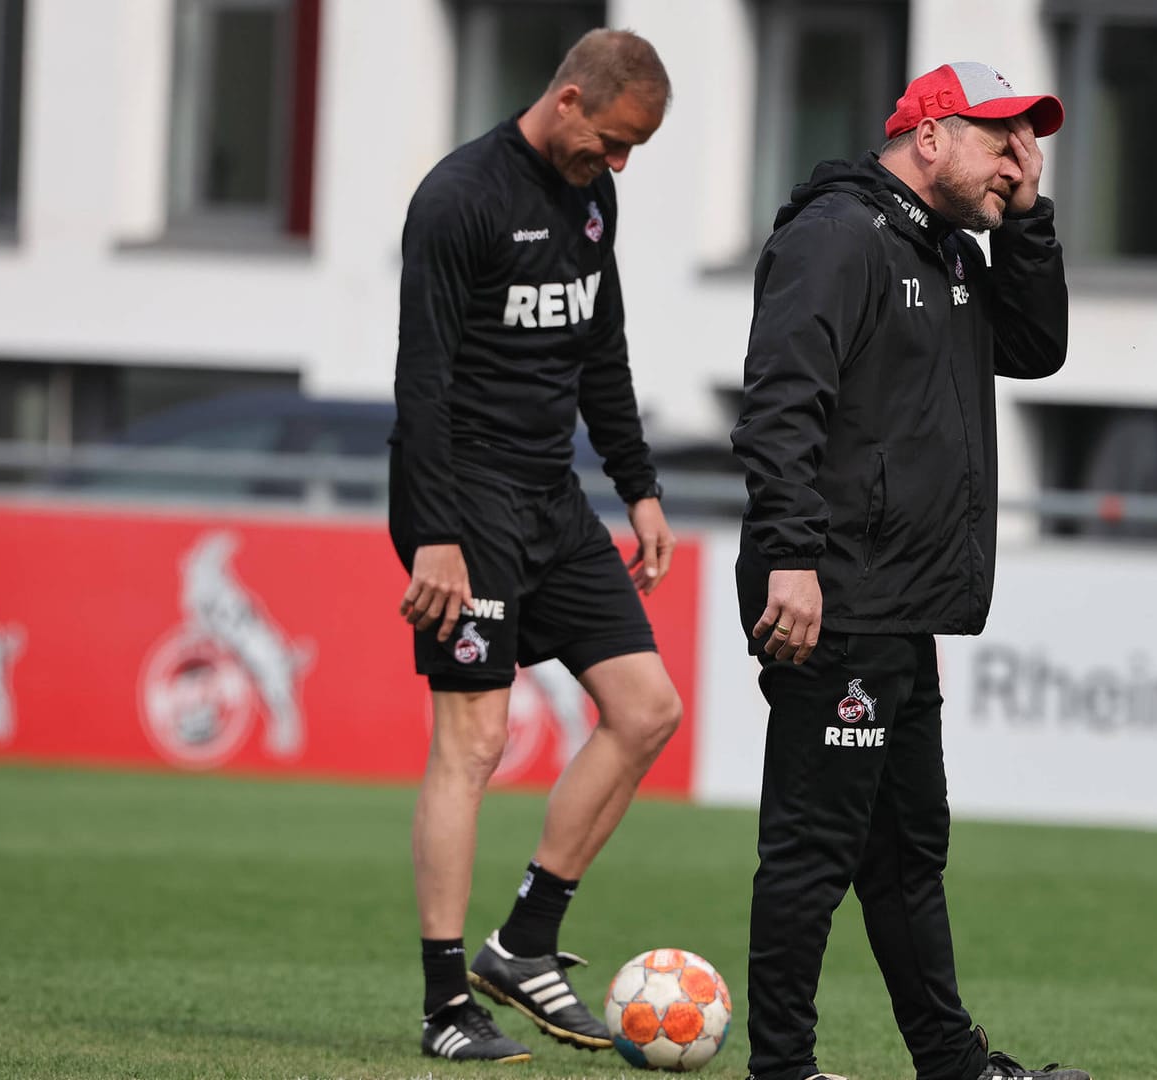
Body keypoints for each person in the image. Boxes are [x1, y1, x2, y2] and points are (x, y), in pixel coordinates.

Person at [731, 62, 1089, 1080]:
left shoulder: (951, 250)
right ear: (928, 136)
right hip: (831, 593)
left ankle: (952, 1064)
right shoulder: (837, 236)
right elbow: (777, 408)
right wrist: (793, 559)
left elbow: (1037, 348)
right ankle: (783, 1070)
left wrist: (1026, 217)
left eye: (1029, 141)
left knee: (905, 853)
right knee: (815, 847)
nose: (1018, 159)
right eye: (999, 138)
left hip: (898, 605)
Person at [388, 28, 683, 1064]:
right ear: (566, 101)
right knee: (473, 745)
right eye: (610, 140)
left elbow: (601, 350)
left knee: (649, 710)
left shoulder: (594, 196)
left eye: (633, 148)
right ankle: (442, 1005)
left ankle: (524, 944)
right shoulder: (459, 198)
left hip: (552, 501)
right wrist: (434, 535)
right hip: (465, 508)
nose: (619, 162)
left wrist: (639, 488)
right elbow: (419, 383)